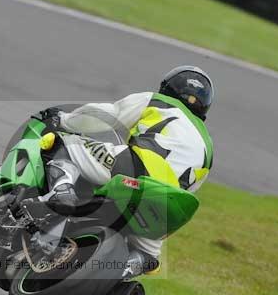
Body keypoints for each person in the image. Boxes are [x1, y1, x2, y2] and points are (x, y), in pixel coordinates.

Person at [34, 66, 214, 276]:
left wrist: (63, 120)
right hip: (169, 200)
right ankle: (120, 274)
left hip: (134, 170)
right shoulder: (208, 146)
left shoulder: (158, 102)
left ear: (167, 87)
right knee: (149, 256)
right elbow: (193, 187)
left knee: (63, 143)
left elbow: (107, 116)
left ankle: (62, 192)